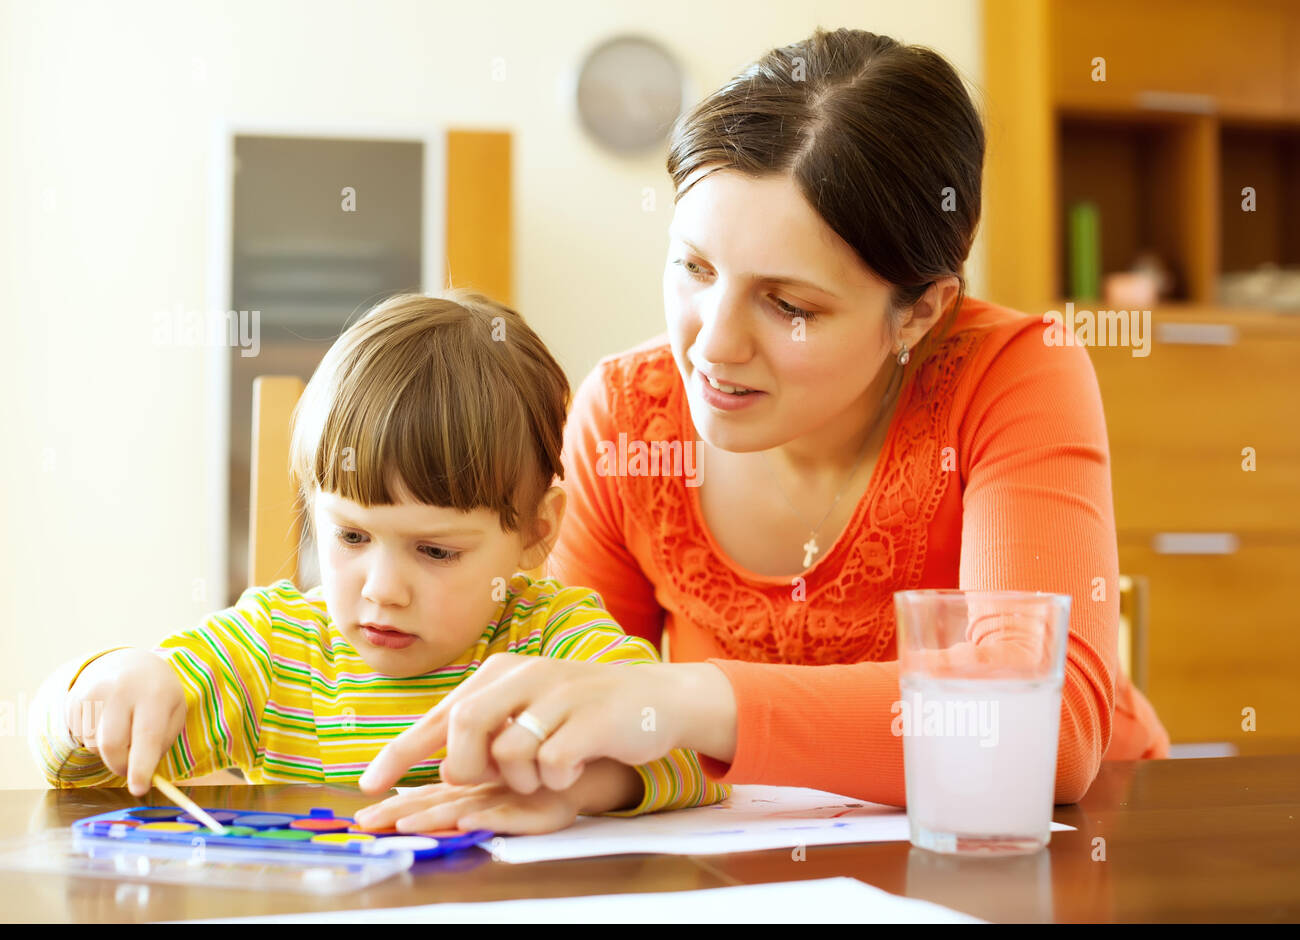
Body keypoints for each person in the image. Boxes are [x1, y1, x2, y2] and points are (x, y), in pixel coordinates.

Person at [360, 27, 1170, 810]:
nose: (711, 346)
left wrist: (694, 694)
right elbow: (598, 700)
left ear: (921, 311)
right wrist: (569, 779)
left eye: (788, 305)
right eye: (694, 268)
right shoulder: (627, 421)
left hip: (1068, 848)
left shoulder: (1012, 377)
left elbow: (1042, 729)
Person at [28, 291, 728, 835]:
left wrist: (573, 783)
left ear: (538, 531)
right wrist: (98, 687)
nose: (383, 591)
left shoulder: (552, 639)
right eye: (352, 537)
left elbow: (685, 755)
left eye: (435, 550)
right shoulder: (272, 651)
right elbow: (75, 769)